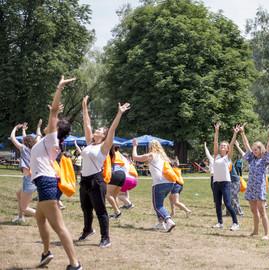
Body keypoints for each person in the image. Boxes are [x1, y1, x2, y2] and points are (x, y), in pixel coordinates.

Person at [30, 75, 81, 269]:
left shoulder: (51, 138)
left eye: (55, 122)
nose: (52, 122)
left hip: (46, 183)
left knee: (59, 227)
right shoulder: (47, 141)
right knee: (40, 218)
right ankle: (46, 253)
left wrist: (59, 89)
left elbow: (52, 112)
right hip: (44, 183)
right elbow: (52, 114)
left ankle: (75, 263)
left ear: (55, 129)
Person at [78, 95, 130, 248]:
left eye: (100, 130)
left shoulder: (104, 147)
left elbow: (112, 129)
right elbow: (87, 124)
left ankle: (105, 238)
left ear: (104, 136)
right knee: (86, 208)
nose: (96, 130)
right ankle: (87, 230)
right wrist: (84, 106)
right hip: (85, 180)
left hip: (96, 181)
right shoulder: (90, 144)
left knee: (100, 210)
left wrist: (119, 113)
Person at [239, 123, 269, 240]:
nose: (254, 151)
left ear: (261, 150)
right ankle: (255, 231)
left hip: (260, 187)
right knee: (253, 211)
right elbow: (245, 145)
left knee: (262, 211)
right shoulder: (251, 159)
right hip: (250, 187)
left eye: (257, 149)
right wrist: (242, 133)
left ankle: (267, 234)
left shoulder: (265, 159)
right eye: (254, 149)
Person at [132, 138, 176, 232]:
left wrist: (135, 146)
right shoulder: (163, 156)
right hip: (170, 183)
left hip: (159, 183)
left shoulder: (152, 155)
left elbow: (135, 157)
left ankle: (168, 221)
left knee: (158, 206)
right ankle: (161, 223)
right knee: (160, 203)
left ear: (150, 147)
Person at [211, 123, 240, 231]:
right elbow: (215, 142)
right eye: (221, 145)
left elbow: (232, 144)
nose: (222, 146)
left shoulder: (227, 157)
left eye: (224, 146)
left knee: (228, 204)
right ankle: (220, 222)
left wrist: (235, 133)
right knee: (217, 204)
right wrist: (216, 131)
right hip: (216, 183)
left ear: (227, 149)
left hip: (225, 183)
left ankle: (235, 223)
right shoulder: (216, 156)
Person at [10, 123, 38, 223]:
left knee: (24, 208)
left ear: (25, 142)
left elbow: (13, 138)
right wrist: (23, 130)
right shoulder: (34, 149)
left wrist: (15, 128)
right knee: (19, 194)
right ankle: (20, 217)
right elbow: (25, 138)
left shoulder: (23, 148)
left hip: (29, 180)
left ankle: (43, 216)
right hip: (34, 178)